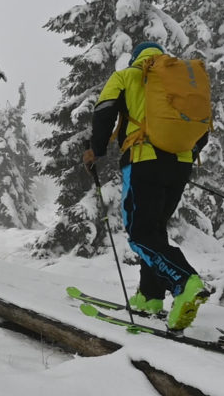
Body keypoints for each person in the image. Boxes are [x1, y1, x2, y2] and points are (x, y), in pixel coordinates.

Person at [82, 41, 210, 332]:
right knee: (154, 230)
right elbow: (200, 126)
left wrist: (96, 151)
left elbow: (104, 112)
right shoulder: (179, 81)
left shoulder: (128, 75)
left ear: (138, 57)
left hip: (143, 159)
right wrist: (184, 154)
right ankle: (150, 297)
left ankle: (184, 281)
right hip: (180, 165)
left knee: (140, 234)